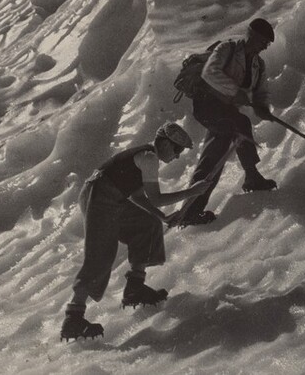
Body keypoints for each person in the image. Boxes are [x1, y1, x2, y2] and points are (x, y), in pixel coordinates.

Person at [60, 122, 208, 341]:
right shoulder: (149, 158)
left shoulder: (146, 156)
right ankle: (73, 317)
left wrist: (161, 217)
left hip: (108, 198)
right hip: (99, 198)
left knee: (148, 224)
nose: (177, 156)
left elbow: (138, 197)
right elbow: (155, 197)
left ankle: (134, 288)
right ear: (165, 144)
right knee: (101, 255)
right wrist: (192, 192)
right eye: (177, 149)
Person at [175, 18, 277, 227]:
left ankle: (191, 210)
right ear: (251, 36)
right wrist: (235, 91)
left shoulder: (258, 64)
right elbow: (209, 73)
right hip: (206, 106)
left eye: (267, 44)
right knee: (237, 127)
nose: (265, 47)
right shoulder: (227, 49)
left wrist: (263, 108)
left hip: (226, 111)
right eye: (263, 42)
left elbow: (261, 91)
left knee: (216, 151)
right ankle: (251, 176)